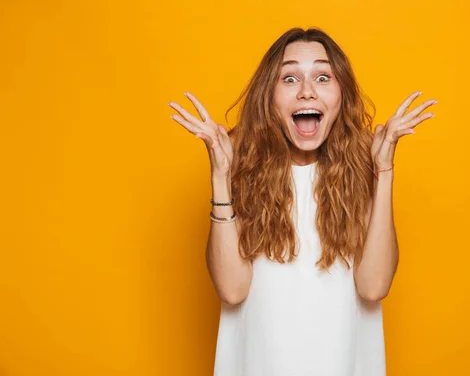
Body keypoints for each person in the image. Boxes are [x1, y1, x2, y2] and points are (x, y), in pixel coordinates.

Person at [168, 27, 437, 376]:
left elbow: (374, 286)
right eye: (290, 78)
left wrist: (382, 170)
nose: (307, 91)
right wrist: (221, 175)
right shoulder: (243, 168)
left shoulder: (361, 169)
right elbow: (232, 291)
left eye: (323, 77)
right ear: (270, 97)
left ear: (342, 95)